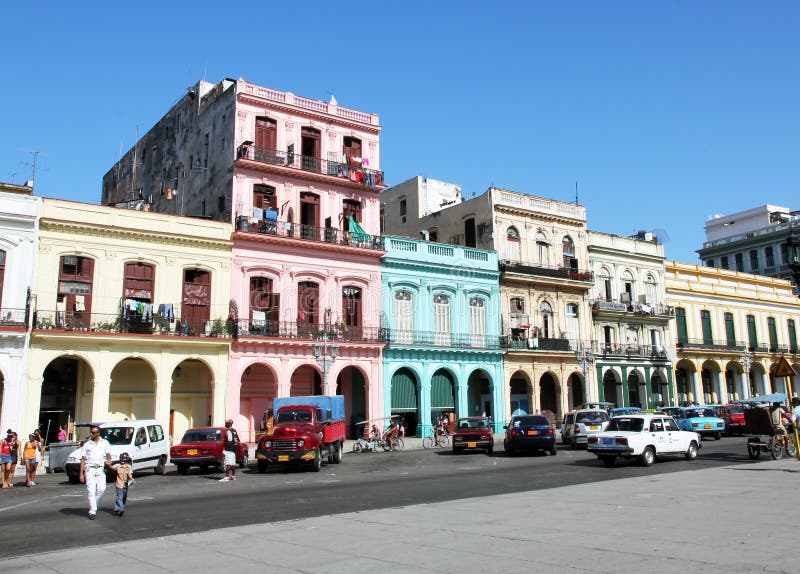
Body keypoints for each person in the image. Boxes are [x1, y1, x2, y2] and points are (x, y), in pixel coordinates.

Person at [78, 425, 112, 519]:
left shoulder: (104, 443)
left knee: (102, 489)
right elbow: (83, 459)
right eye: (91, 432)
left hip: (100, 469)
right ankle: (92, 511)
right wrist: (81, 474)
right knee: (91, 490)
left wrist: (109, 460)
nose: (91, 434)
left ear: (98, 434)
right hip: (90, 469)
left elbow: (108, 454)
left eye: (93, 433)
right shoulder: (87, 444)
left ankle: (94, 505)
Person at [112, 452, 134, 517]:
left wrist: (131, 479)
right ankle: (120, 509)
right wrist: (108, 464)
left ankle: (118, 508)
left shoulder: (128, 467)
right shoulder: (117, 466)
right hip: (119, 484)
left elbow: (130, 474)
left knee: (123, 497)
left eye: (125, 459)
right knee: (120, 497)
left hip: (125, 484)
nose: (123, 460)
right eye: (122, 459)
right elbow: (112, 468)